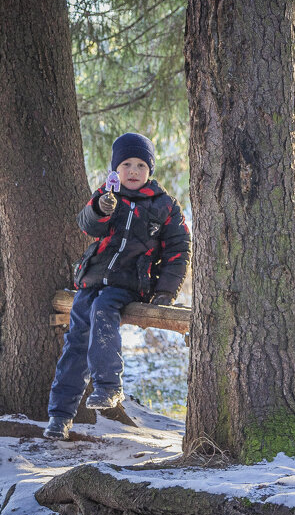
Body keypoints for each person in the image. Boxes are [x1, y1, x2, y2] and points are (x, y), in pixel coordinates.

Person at [44, 133, 190, 440]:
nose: (133, 171)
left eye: (140, 164)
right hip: (93, 279)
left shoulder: (164, 206)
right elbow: (87, 224)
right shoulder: (108, 195)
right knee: (76, 340)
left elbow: (178, 251)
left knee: (103, 310)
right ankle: (60, 414)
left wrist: (165, 293)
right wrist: (100, 208)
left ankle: (109, 387)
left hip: (129, 283)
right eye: (126, 164)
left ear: (150, 169)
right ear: (116, 169)